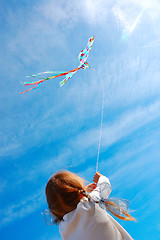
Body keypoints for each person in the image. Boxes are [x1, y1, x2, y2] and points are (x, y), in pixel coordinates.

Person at [45, 171, 135, 240]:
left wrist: (84, 191)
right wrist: (100, 178)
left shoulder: (63, 229)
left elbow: (67, 203)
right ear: (81, 195)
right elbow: (105, 186)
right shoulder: (89, 204)